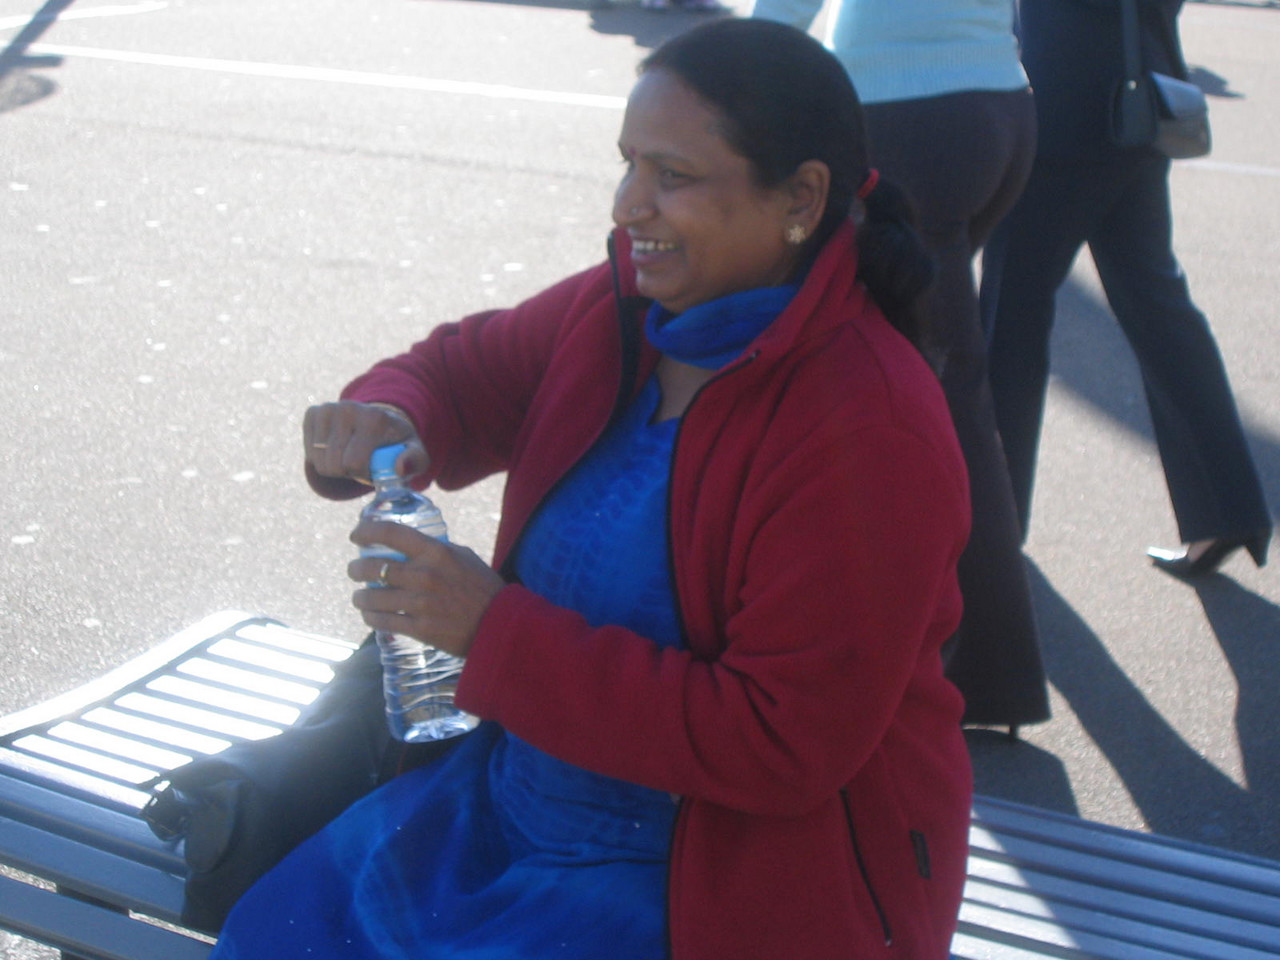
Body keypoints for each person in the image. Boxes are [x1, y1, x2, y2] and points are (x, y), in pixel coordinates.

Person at [211, 19, 972, 960]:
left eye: (672, 175)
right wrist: (389, 416)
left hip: (722, 888)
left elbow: (779, 744)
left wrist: (491, 632)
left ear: (802, 198)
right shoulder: (627, 304)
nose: (627, 205)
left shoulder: (869, 426)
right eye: (627, 164)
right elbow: (457, 374)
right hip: (513, 811)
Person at [752, 0, 1048, 728]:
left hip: (908, 112)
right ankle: (960, 658)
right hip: (998, 102)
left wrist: (736, 68)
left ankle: (988, 672)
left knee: (938, 386)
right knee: (925, 373)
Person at [980, 0, 1271, 576]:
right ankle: (1226, 508)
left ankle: (994, 529)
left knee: (1011, 320)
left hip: (1061, 113)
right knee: (1158, 309)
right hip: (1138, 104)